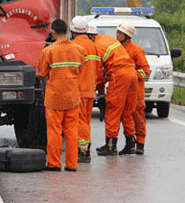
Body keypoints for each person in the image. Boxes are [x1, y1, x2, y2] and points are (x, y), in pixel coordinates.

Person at [38, 19, 84, 172]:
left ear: (53, 32)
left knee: (54, 131)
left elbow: (42, 73)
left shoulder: (48, 51)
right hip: (72, 96)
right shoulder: (79, 49)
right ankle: (72, 164)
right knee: (71, 132)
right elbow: (81, 70)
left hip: (54, 97)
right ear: (67, 31)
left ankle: (54, 163)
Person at [93, 30, 138, 156]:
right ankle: (130, 144)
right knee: (127, 111)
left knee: (113, 110)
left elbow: (98, 74)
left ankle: (111, 145)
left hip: (119, 75)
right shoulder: (107, 38)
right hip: (131, 73)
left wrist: (95, 89)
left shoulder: (96, 47)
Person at [116, 23, 150, 155]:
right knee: (126, 117)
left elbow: (145, 69)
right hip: (122, 90)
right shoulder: (116, 49)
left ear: (127, 36)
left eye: (120, 33)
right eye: (117, 32)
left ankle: (140, 142)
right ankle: (129, 142)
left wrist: (131, 76)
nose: (117, 35)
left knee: (138, 117)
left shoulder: (136, 50)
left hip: (136, 91)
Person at [70, 16, 99, 163]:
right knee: (86, 121)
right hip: (89, 90)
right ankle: (86, 147)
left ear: (73, 31)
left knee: (80, 122)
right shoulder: (92, 45)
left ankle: (83, 151)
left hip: (79, 91)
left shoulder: (75, 46)